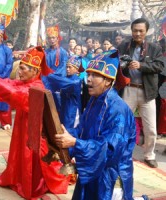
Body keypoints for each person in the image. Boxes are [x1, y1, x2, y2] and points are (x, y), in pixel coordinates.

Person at [0, 46, 69, 199]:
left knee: (30, 154)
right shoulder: (25, 84)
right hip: (23, 126)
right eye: (19, 68)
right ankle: (19, 176)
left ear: (35, 72)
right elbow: (10, 84)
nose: (19, 72)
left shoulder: (36, 88)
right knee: (20, 150)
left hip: (33, 131)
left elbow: (12, 93)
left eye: (23, 69)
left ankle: (33, 183)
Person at [54, 50, 136, 199]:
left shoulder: (118, 109)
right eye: (88, 74)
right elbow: (82, 130)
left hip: (110, 176)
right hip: (92, 168)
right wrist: (65, 144)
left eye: (95, 75)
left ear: (108, 81)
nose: (88, 79)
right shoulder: (94, 100)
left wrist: (75, 143)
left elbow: (110, 149)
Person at [118, 18, 164, 168]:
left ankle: (149, 155)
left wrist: (141, 65)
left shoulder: (154, 47)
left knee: (150, 127)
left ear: (146, 32)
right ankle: (121, 153)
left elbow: (159, 66)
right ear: (131, 31)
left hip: (147, 91)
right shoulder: (124, 46)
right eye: (135, 30)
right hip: (128, 89)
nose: (137, 33)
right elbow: (115, 64)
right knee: (122, 124)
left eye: (140, 30)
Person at [43, 55, 84, 129]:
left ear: (77, 69)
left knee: (70, 130)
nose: (67, 69)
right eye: (67, 67)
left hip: (72, 111)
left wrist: (48, 74)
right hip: (64, 108)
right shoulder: (65, 78)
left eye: (70, 67)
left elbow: (58, 81)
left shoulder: (76, 81)